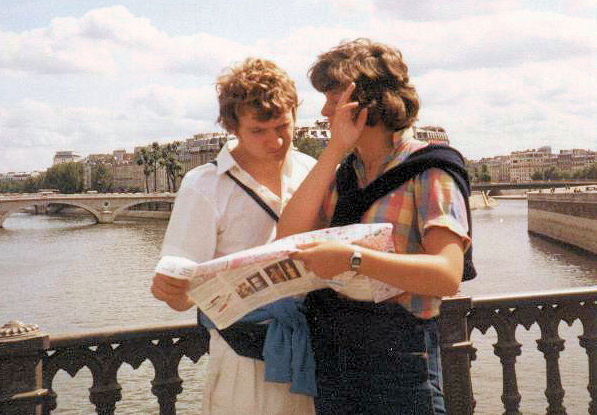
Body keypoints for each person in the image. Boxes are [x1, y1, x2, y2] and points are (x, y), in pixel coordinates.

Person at [277, 38, 472, 414]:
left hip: (400, 360)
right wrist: (333, 151)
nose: (323, 110)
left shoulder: (429, 169)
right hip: (337, 356)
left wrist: (353, 260)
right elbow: (287, 237)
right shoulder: (345, 174)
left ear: (364, 105)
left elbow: (448, 274)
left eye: (333, 99)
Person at [151, 58, 316, 415]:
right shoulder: (203, 186)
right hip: (246, 358)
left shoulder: (310, 170)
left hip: (315, 348)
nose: (275, 140)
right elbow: (181, 298)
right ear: (233, 126)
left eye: (283, 126)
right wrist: (171, 289)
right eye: (259, 130)